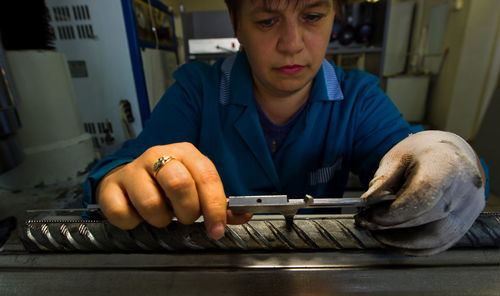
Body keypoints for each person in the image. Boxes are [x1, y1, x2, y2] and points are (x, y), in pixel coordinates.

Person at [83, 0, 486, 255]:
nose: (292, 42)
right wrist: (120, 179)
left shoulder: (358, 97)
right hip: (213, 270)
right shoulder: (196, 90)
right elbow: (119, 172)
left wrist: (447, 154)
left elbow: (413, 160)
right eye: (266, 20)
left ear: (333, 15)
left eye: (312, 16)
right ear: (236, 23)